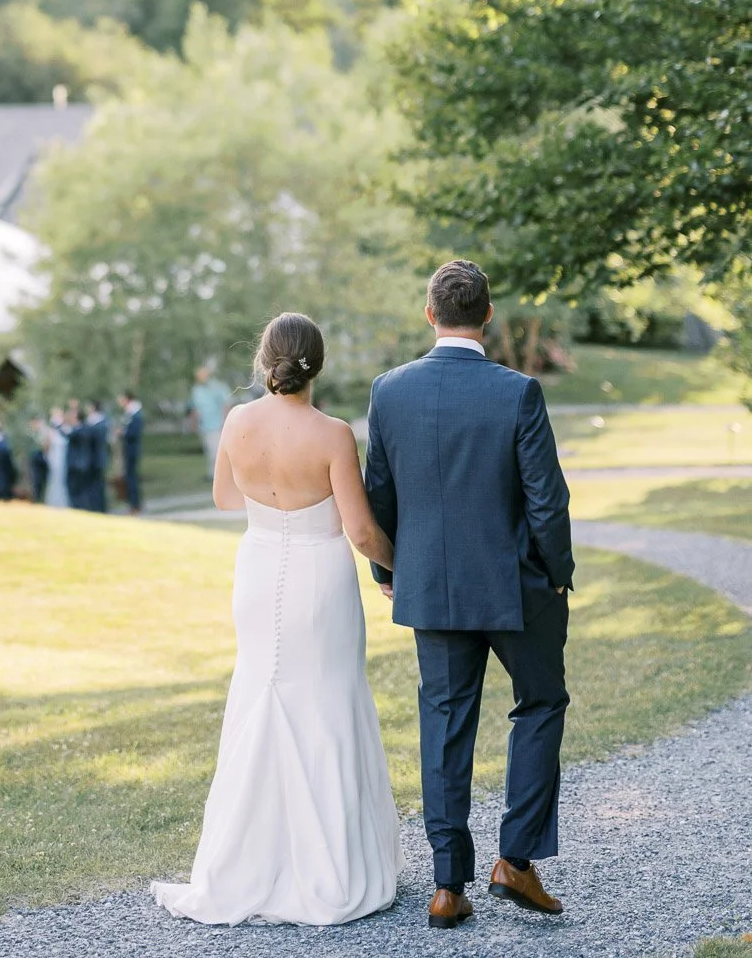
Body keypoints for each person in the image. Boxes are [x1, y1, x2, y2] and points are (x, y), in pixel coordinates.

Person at [151, 313, 399, 925]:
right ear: (318, 363)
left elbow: (223, 496)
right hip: (320, 577)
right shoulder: (334, 434)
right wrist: (398, 568)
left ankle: (245, 864)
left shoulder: (237, 422)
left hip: (259, 570)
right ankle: (331, 866)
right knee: (327, 703)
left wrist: (274, 511)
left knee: (260, 695)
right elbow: (362, 531)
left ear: (265, 360)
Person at [364, 260, 574, 929]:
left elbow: (380, 496)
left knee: (445, 724)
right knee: (540, 702)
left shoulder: (388, 392)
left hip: (432, 589)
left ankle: (448, 885)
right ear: (487, 316)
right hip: (515, 588)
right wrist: (559, 569)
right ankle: (515, 859)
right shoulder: (518, 393)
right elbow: (547, 502)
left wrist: (389, 572)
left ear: (431, 314)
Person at [190, 365, 230, 477]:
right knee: (209, 450)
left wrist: (225, 423)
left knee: (216, 451)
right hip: (204, 426)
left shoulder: (217, 387)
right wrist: (194, 424)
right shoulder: (197, 390)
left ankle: (220, 475)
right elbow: (194, 408)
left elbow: (225, 405)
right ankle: (212, 474)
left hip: (217, 425)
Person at [64, 405, 94, 511]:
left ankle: (80, 509)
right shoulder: (81, 429)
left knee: (78, 490)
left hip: (77, 465)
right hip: (78, 465)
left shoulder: (81, 430)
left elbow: (67, 434)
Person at [117, 390, 143, 513]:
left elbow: (134, 432)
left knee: (131, 477)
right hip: (129, 449)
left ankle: (135, 505)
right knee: (130, 476)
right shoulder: (130, 413)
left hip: (132, 450)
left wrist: (123, 433)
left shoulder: (135, 414)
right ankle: (133, 503)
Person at [84, 401, 110, 512]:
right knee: (94, 485)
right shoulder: (95, 422)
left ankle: (100, 508)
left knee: (98, 485)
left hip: (97, 458)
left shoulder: (99, 422)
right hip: (93, 458)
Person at [45, 408, 69, 509]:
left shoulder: (66, 429)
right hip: (54, 459)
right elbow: (47, 447)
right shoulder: (51, 432)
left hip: (64, 459)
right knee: (54, 480)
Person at [28, 416, 50, 504]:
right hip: (38, 465)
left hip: (41, 464)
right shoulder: (33, 436)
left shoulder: (41, 434)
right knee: (37, 484)